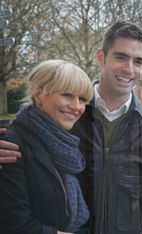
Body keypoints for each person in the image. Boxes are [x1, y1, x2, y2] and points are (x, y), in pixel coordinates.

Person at [73, 21, 142, 234]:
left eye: (138, 61)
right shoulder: (70, 114)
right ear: (101, 57)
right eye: (121, 57)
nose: (129, 69)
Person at [0, 60, 92, 234]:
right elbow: (14, 224)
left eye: (82, 99)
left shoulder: (69, 147)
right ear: (39, 93)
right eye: (67, 95)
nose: (76, 107)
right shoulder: (10, 145)